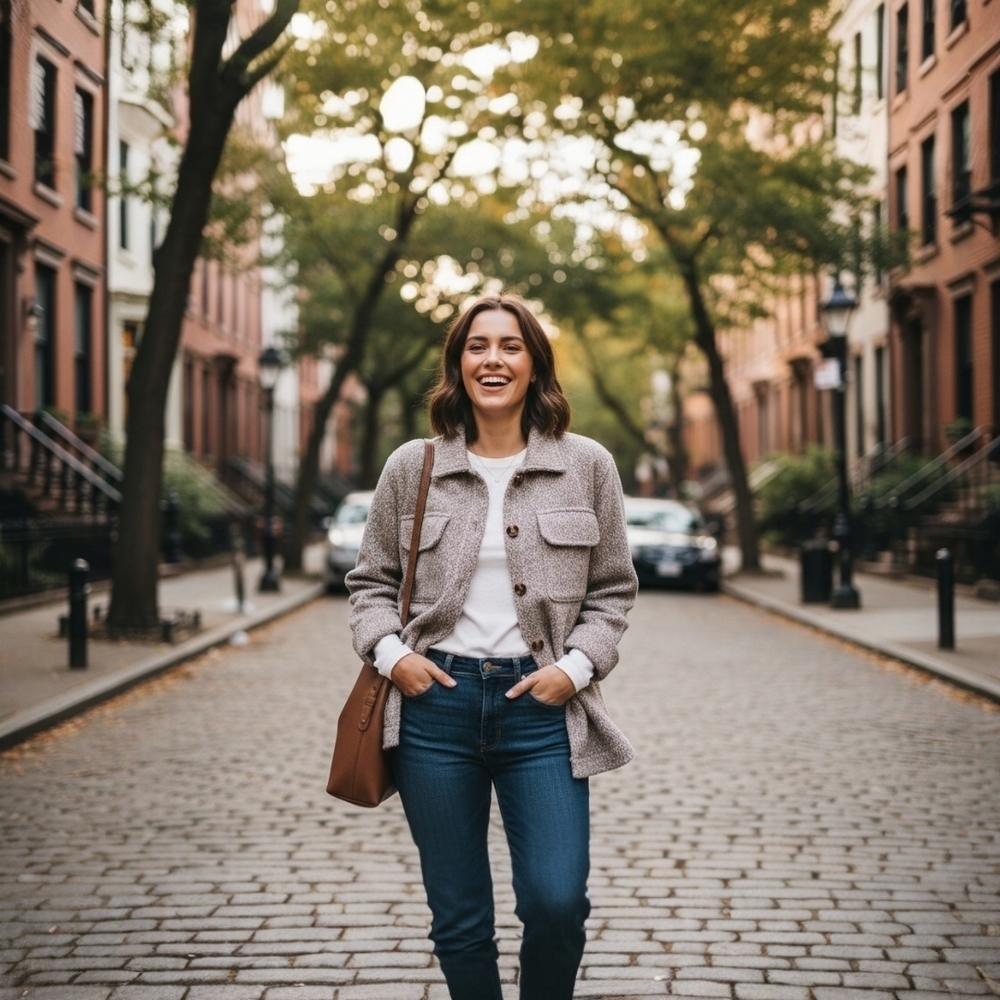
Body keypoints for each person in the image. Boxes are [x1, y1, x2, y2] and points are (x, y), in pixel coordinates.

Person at [346, 292, 638, 1000]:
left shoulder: (587, 465)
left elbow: (612, 591)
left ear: (535, 364)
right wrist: (394, 658)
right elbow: (370, 584)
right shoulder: (411, 467)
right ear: (458, 365)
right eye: (477, 346)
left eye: (511, 346)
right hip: (433, 711)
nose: (493, 359)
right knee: (460, 917)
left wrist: (574, 669)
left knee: (557, 902)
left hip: (543, 711)